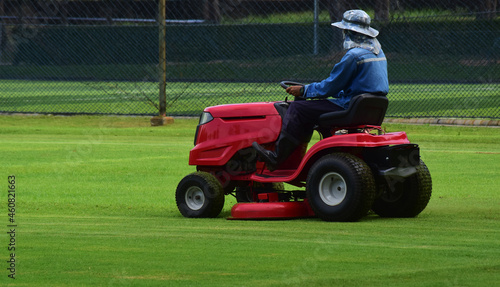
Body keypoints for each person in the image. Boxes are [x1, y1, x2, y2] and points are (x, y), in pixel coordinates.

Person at [252, 9, 389, 171]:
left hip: (349, 106)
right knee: (314, 109)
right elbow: (350, 86)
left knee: (298, 108)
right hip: (367, 107)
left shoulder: (353, 56)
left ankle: (277, 157)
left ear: (349, 32)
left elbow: (329, 87)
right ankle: (325, 154)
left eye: (345, 31)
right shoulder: (377, 52)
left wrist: (304, 91)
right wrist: (310, 91)